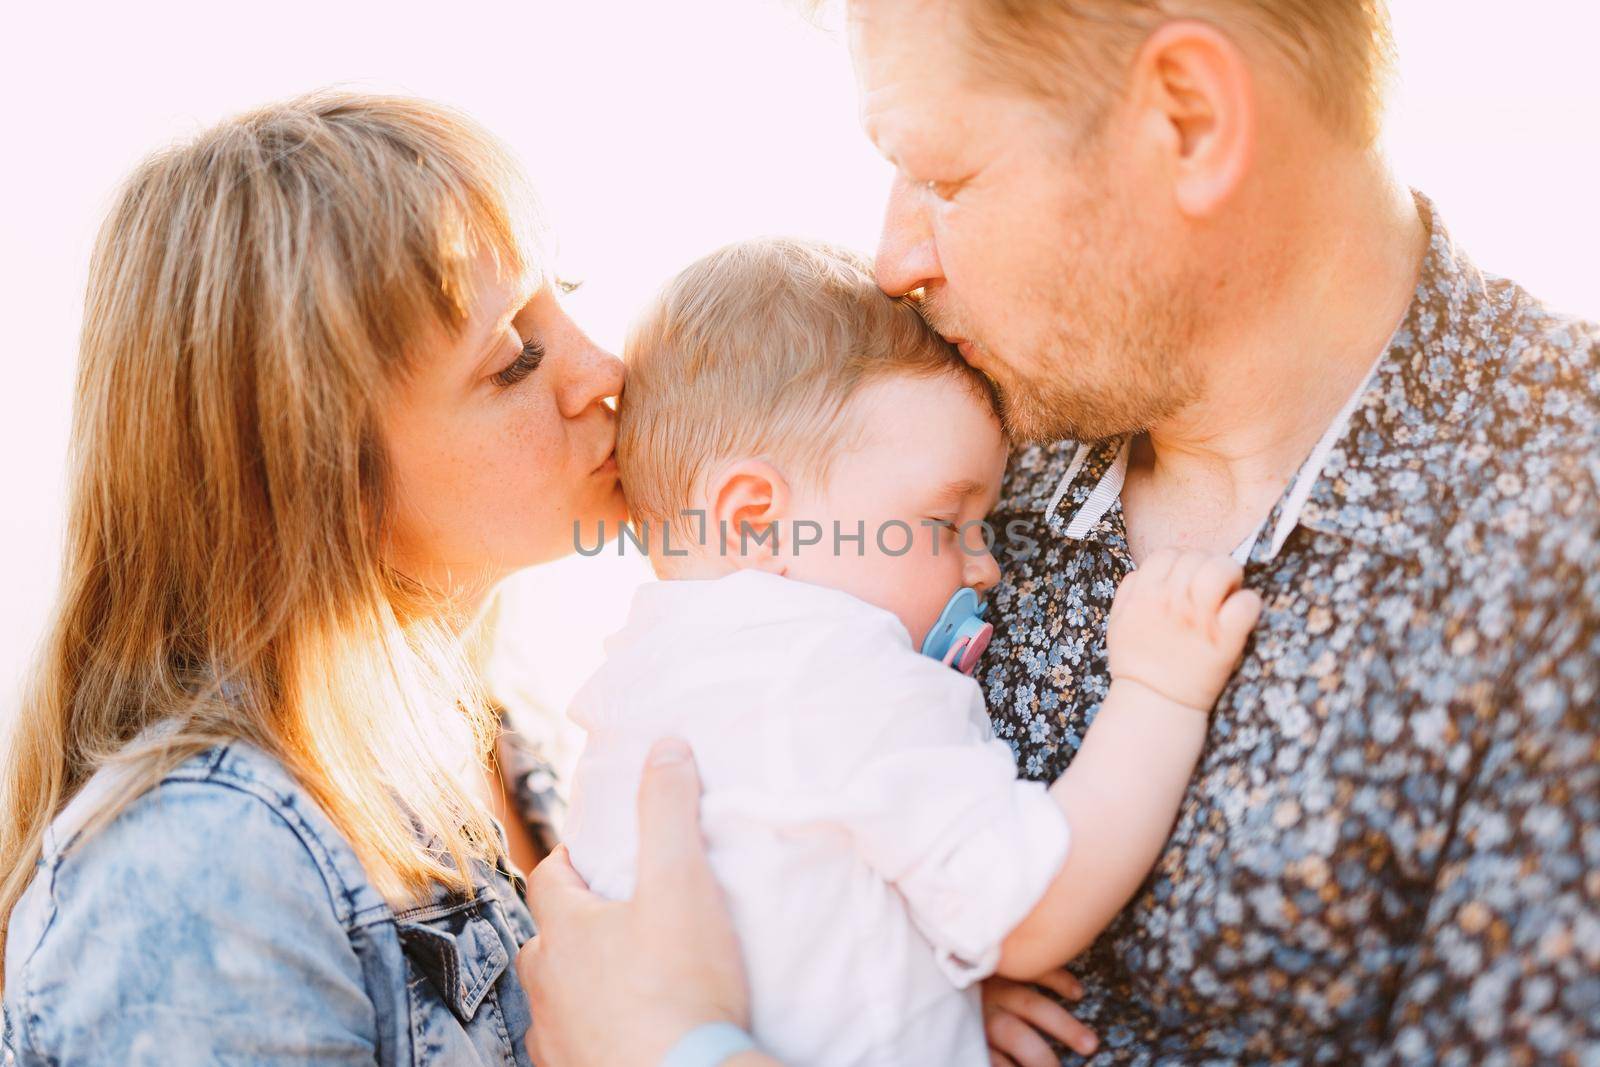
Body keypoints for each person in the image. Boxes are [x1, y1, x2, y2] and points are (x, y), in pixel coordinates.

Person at [519, 0, 1600, 1062]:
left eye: (944, 178)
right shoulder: (935, 446)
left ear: (1189, 118)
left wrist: (681, 1048)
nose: (894, 259)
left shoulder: (1558, 515)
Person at [0, 91, 628, 1065]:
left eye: (569, 297)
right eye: (513, 358)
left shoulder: (501, 726)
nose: (602, 368)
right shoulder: (205, 864)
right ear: (313, 475)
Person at [560, 238, 1259, 1065]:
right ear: (752, 517)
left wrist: (926, 974)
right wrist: (1159, 689)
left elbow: (793, 905)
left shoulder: (637, 676)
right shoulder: (834, 662)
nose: (984, 565)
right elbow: (1034, 908)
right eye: (943, 522)